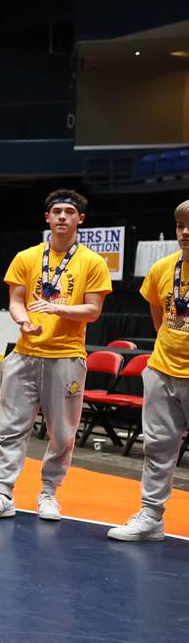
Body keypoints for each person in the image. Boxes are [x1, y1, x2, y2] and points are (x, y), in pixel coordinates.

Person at [0, 190, 110, 522]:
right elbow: (16, 299)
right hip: (25, 354)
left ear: (80, 219)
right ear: (47, 218)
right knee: (11, 428)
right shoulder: (27, 257)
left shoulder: (92, 262)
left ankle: (49, 493)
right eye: (56, 212)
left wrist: (57, 308)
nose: (62, 216)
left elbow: (93, 310)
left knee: (62, 433)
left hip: (66, 357)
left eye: (69, 212)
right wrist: (23, 320)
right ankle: (2, 493)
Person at [107, 200, 189, 542]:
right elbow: (159, 315)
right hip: (162, 369)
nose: (185, 232)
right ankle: (151, 516)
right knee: (157, 446)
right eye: (180, 225)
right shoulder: (162, 268)